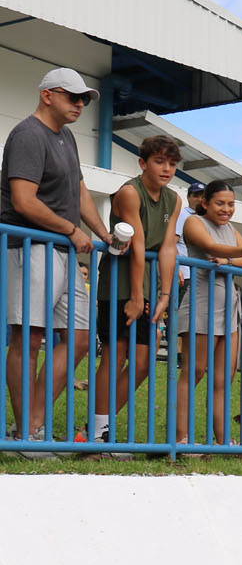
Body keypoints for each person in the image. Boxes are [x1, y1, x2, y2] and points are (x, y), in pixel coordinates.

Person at [3, 68, 114, 447]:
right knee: (29, 339)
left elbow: (79, 191)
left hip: (64, 251)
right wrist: (70, 229)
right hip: (30, 246)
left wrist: (103, 234)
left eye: (84, 99)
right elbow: (23, 200)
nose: (80, 104)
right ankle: (26, 434)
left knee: (80, 339)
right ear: (47, 95)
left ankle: (29, 427)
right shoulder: (27, 134)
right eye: (72, 96)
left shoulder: (67, 137)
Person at [89, 134, 182, 448]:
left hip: (147, 288)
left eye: (172, 163)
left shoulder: (174, 199)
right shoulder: (130, 192)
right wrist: (136, 297)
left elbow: (167, 248)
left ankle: (99, 427)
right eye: (159, 161)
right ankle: (98, 433)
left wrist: (164, 296)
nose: (166, 169)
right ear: (143, 163)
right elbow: (138, 245)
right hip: (118, 285)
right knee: (114, 356)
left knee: (143, 362)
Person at [175, 180, 242, 446]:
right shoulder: (194, 222)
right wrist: (241, 253)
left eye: (231, 204)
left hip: (229, 307)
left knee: (223, 379)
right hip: (202, 303)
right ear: (205, 203)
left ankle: (223, 441)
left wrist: (231, 260)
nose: (226, 209)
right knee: (195, 371)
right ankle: (180, 438)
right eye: (220, 203)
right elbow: (211, 247)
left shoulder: (231, 229)